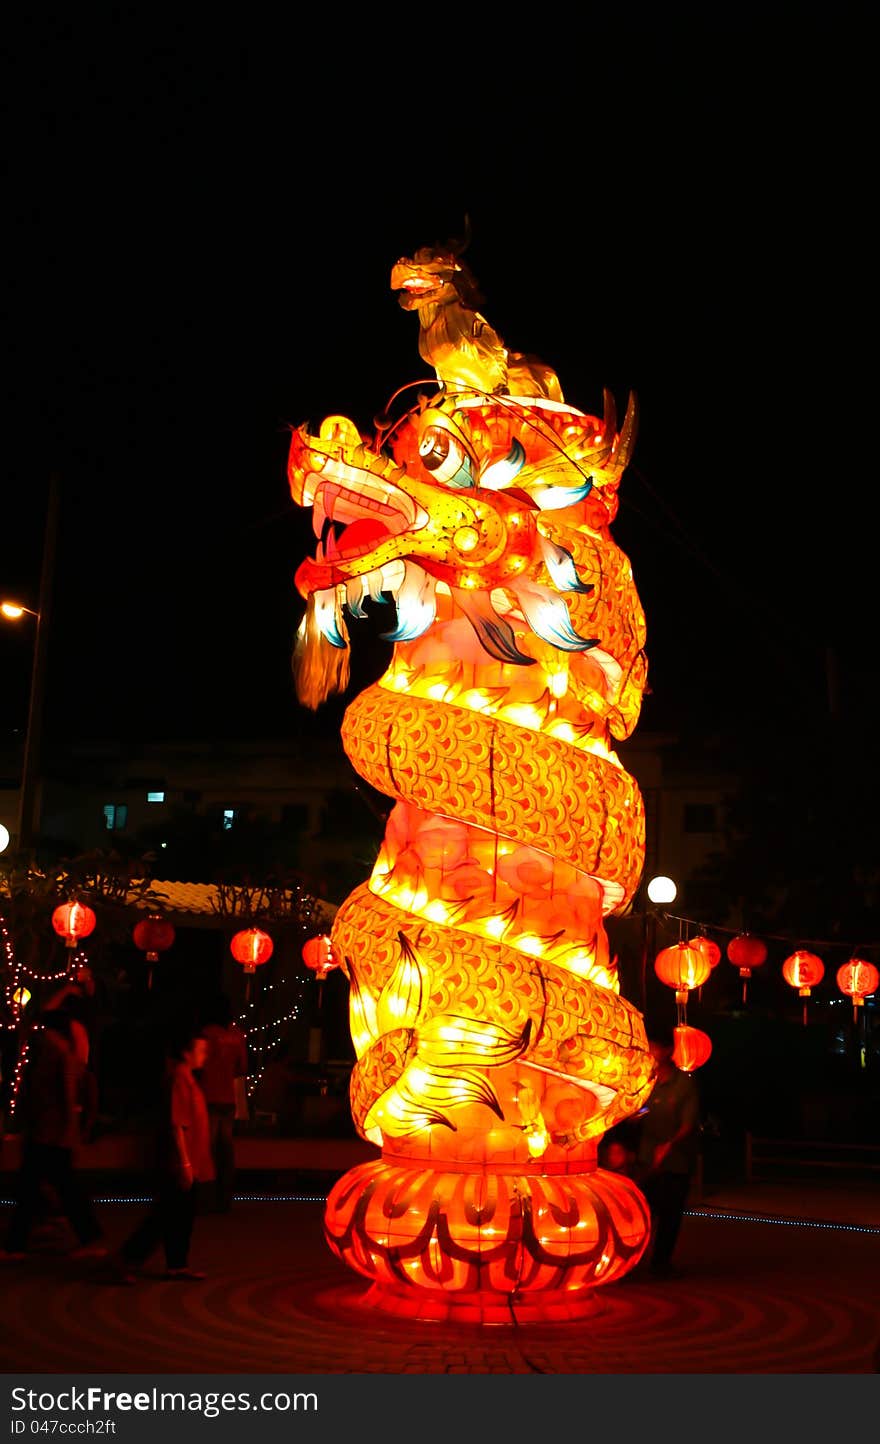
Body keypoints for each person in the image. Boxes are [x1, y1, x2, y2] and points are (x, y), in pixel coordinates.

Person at [110, 1027, 214, 1281]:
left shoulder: (188, 1078)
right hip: (179, 1162)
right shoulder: (179, 1078)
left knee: (181, 1214)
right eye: (200, 1050)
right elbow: (176, 1123)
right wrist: (185, 1163)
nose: (205, 1056)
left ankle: (177, 1264)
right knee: (166, 1215)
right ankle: (127, 1259)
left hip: (191, 1161)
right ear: (186, 1053)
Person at [1, 1006, 105, 1261]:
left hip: (49, 1134)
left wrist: (68, 1133)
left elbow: (64, 1094)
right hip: (50, 1133)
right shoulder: (59, 1050)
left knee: (41, 1188)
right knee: (52, 1188)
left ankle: (18, 1244)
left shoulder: (52, 1051)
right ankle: (20, 1243)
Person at [635, 1028, 701, 1278]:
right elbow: (643, 1109)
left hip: (675, 1163)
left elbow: (688, 1123)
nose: (648, 1052)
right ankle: (635, 1261)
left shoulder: (684, 1084)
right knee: (643, 1212)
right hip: (647, 1159)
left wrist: (669, 1144)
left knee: (670, 1215)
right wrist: (635, 1116)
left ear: (666, 1052)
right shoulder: (647, 1080)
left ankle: (661, 1263)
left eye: (652, 1047)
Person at [199, 995, 248, 1211]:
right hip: (228, 1099)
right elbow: (242, 1068)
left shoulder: (206, 1034)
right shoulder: (236, 1036)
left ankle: (206, 1198)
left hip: (207, 1096)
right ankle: (225, 1198)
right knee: (226, 1148)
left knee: (207, 1147)